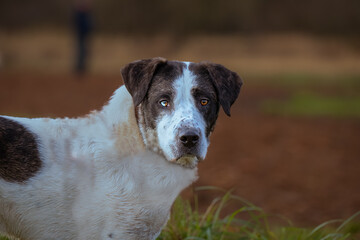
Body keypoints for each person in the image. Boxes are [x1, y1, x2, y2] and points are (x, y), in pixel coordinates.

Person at [73, 0, 93, 74]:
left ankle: (82, 67)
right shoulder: (80, 15)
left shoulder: (85, 14)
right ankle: (80, 68)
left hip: (85, 35)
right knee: (81, 51)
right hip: (81, 35)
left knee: (84, 51)